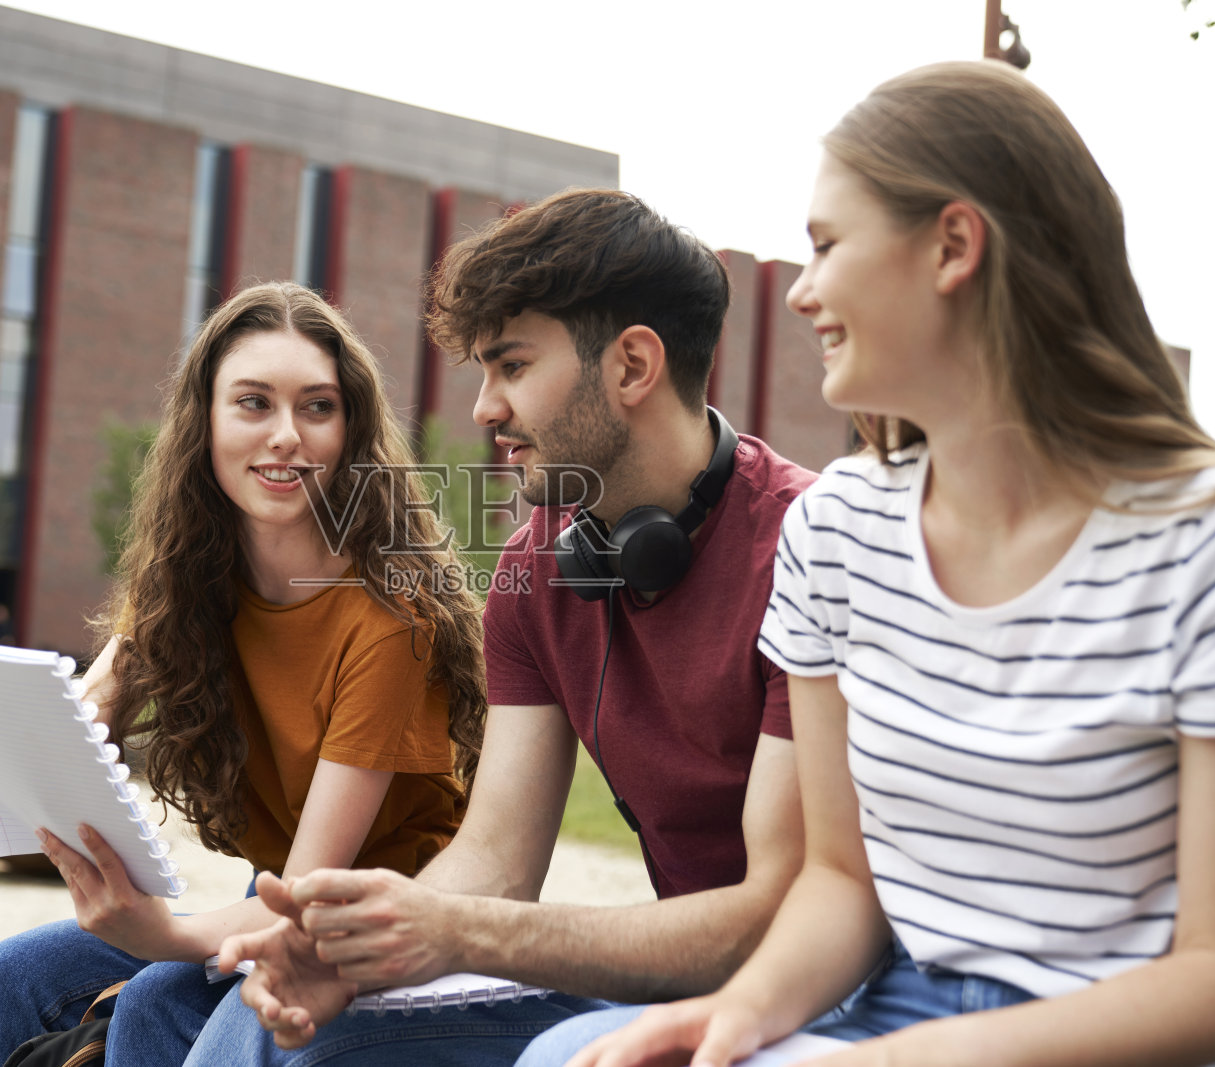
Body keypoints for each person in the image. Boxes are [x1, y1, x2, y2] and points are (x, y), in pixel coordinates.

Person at [558, 60, 1215, 1067]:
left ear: (953, 246)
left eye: (827, 245)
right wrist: (733, 1015)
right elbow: (839, 882)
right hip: (895, 1005)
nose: (800, 292)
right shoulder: (836, 531)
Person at [184, 189, 818, 1067]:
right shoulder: (535, 567)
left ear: (632, 366)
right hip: (671, 977)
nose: (484, 408)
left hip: (815, 982)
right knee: (234, 1018)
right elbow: (494, 858)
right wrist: (359, 945)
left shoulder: (809, 551)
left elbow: (783, 914)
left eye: (511, 367)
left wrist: (451, 930)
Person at [0, 282, 487, 1067]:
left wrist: (159, 934)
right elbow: (74, 724)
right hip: (269, 902)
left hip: (379, 927)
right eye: (252, 403)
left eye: (316, 407)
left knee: (155, 1002)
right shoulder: (189, 579)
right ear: (204, 423)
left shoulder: (390, 623)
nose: (286, 436)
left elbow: (303, 902)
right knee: (13, 976)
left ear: (351, 431)